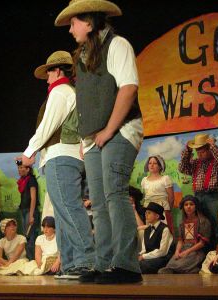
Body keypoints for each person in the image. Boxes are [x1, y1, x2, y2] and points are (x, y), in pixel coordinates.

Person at [55, 0, 143, 284]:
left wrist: (107, 131)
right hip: (94, 137)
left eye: (73, 23)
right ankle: (104, 263)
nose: (70, 29)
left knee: (115, 194)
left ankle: (127, 265)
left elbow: (128, 89)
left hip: (121, 128)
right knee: (100, 204)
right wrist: (87, 136)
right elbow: (88, 101)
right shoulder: (83, 56)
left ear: (89, 22)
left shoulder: (118, 45)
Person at [20, 50, 95, 279]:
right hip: (61, 156)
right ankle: (72, 263)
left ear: (58, 71)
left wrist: (30, 150)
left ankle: (86, 260)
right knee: (63, 212)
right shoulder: (65, 92)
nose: (47, 78)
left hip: (62, 155)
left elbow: (47, 126)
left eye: (49, 72)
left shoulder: (61, 91)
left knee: (70, 208)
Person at [178, 133, 218, 246]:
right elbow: (182, 168)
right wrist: (188, 151)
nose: (200, 154)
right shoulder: (196, 162)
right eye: (198, 152)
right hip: (198, 197)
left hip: (214, 196)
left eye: (203, 152)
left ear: (209, 150)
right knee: (203, 224)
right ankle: (207, 251)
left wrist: (213, 147)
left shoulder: (217, 161)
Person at [158, 195, 211, 274]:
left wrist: (188, 251)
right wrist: (177, 251)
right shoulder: (182, 223)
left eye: (191, 204)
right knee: (170, 265)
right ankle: (189, 270)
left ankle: (192, 269)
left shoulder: (203, 221)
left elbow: (202, 243)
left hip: (196, 250)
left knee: (180, 265)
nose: (188, 207)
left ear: (196, 207)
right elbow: (180, 240)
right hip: (184, 248)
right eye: (186, 205)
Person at [141, 155, 174, 232]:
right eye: (150, 163)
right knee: (150, 232)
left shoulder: (165, 179)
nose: (151, 165)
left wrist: (167, 210)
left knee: (164, 231)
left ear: (160, 166)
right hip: (149, 209)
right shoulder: (144, 180)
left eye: (155, 163)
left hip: (162, 209)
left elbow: (171, 198)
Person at [138, 202, 174, 274]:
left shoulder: (165, 229)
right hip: (149, 257)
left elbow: (162, 251)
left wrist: (144, 257)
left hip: (162, 258)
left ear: (157, 216)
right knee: (133, 263)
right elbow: (144, 249)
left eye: (149, 213)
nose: (146, 215)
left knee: (142, 266)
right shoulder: (147, 229)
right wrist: (140, 256)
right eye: (146, 213)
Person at [16, 160, 40, 260]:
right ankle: (30, 259)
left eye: (22, 167)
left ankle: (33, 260)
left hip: (30, 211)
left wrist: (31, 215)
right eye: (19, 168)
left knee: (31, 236)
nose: (19, 169)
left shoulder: (31, 180)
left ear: (28, 169)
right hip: (24, 210)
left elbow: (33, 198)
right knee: (27, 236)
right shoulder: (23, 180)